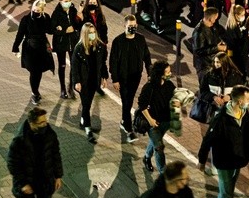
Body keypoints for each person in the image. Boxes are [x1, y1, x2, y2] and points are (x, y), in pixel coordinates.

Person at [197, 85, 249, 198]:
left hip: (238, 159)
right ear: (239, 101)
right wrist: (202, 160)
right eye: (248, 99)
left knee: (228, 193)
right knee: (227, 197)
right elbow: (208, 140)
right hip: (224, 161)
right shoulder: (220, 119)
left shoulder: (244, 114)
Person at [7, 107, 64, 198]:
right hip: (28, 180)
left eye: (45, 122)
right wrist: (23, 183)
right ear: (32, 123)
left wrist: (58, 176)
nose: (44, 125)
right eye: (41, 123)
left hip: (45, 180)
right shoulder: (20, 141)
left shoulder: (50, 135)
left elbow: (56, 155)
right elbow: (12, 164)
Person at [110, 14, 152, 143]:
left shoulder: (140, 39)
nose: (132, 28)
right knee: (127, 102)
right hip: (123, 78)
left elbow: (147, 57)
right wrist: (115, 79)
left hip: (135, 77)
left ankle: (124, 121)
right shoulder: (118, 41)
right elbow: (113, 62)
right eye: (129, 26)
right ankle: (128, 129)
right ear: (124, 26)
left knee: (128, 101)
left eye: (134, 26)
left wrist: (150, 73)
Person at [71, 22, 108, 144]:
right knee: (86, 105)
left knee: (88, 102)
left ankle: (83, 120)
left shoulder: (100, 46)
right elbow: (74, 67)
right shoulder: (79, 48)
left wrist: (104, 77)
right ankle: (87, 128)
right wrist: (76, 82)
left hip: (94, 80)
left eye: (93, 33)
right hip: (83, 81)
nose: (92, 35)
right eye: (90, 33)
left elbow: (103, 64)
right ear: (85, 34)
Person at [13, 0, 55, 105]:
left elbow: (50, 30)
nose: (36, 12)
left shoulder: (46, 17)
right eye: (34, 10)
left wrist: (56, 26)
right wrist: (15, 47)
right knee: (34, 71)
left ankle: (35, 91)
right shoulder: (26, 19)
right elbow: (20, 34)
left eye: (38, 10)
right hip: (29, 48)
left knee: (38, 71)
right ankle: (34, 93)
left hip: (42, 48)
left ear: (42, 10)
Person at [140, 60, 178, 174]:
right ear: (160, 74)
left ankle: (146, 157)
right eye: (167, 72)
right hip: (154, 123)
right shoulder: (149, 87)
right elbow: (142, 105)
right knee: (159, 147)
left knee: (156, 141)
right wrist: (150, 120)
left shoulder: (170, 85)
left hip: (166, 121)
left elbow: (175, 97)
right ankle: (163, 173)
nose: (169, 74)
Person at [50, 0, 81, 99]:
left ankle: (71, 86)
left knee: (74, 64)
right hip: (61, 43)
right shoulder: (56, 13)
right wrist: (63, 31)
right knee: (62, 65)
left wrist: (79, 16)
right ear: (60, 1)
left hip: (72, 41)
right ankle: (62, 89)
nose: (68, 3)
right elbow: (51, 29)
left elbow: (77, 25)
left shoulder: (73, 10)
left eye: (69, 1)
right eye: (65, 1)